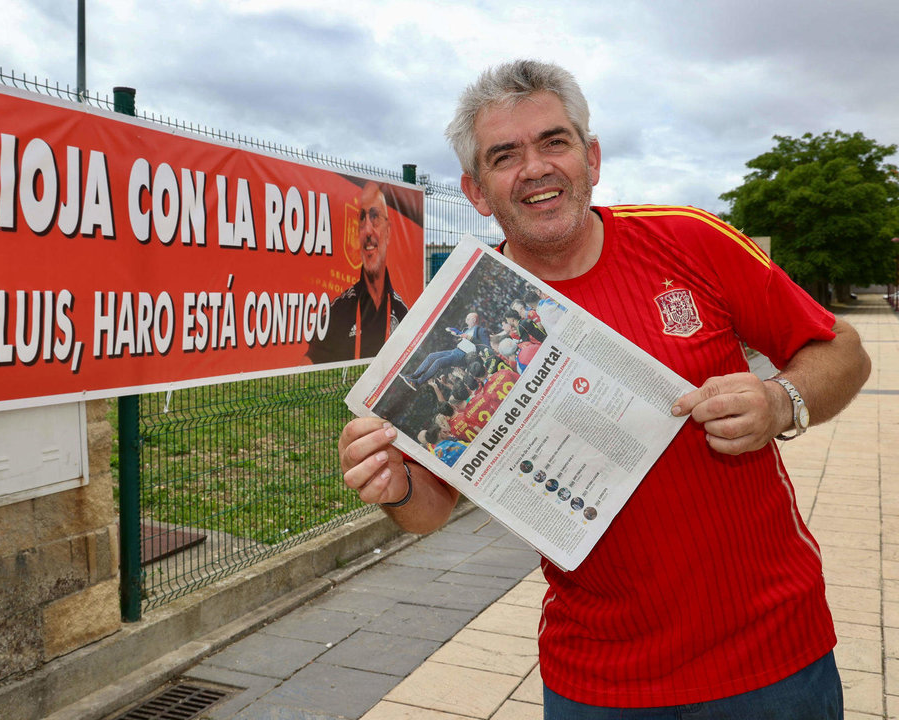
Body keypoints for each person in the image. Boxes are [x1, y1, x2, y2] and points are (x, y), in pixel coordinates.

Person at [337, 60, 871, 718]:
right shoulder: (465, 313)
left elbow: (842, 349)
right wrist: (393, 488)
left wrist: (780, 402)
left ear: (590, 157)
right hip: (599, 683)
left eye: (554, 142)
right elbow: (430, 510)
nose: (535, 168)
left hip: (774, 658)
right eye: (505, 155)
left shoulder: (688, 239)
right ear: (476, 191)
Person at [306, 181, 409, 363]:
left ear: (389, 232)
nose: (367, 229)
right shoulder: (337, 313)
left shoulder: (402, 313)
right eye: (362, 219)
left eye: (375, 217)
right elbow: (307, 369)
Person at [402, 312, 491, 388]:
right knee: (431, 356)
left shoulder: (480, 331)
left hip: (463, 355)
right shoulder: (467, 329)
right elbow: (465, 339)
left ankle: (417, 383)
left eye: (468, 319)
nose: (466, 321)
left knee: (438, 362)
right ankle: (413, 376)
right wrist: (458, 333)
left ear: (474, 320)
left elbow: (485, 346)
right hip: (456, 350)